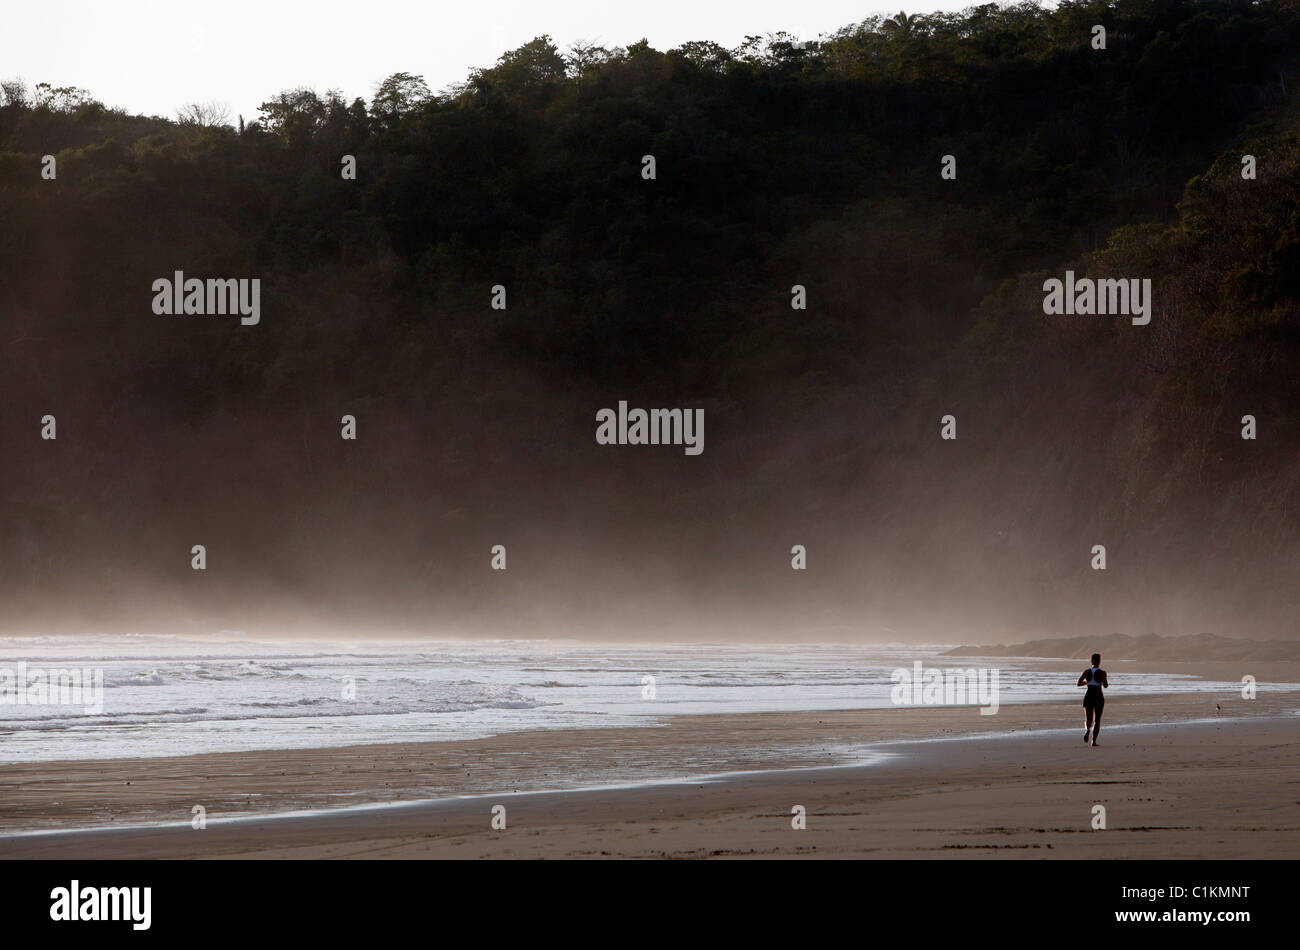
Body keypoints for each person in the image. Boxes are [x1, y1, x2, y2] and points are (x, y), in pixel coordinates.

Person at [1077, 653, 1108, 746]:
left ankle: (1087, 731)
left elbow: (1079, 683)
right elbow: (1106, 685)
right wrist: (1101, 682)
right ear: (1099, 661)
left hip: (1089, 695)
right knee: (1097, 720)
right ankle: (1093, 741)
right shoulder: (1102, 672)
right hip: (1098, 695)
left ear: (1091, 661)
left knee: (1088, 719)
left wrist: (1087, 682)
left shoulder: (1086, 671)